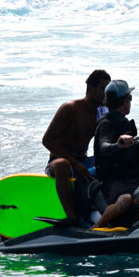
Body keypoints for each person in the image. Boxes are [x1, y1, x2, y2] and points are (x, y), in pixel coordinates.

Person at [42, 69, 111, 223]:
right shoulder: (71, 108)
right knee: (61, 164)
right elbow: (47, 140)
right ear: (90, 88)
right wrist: (75, 164)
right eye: (102, 90)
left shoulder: (102, 112)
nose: (105, 95)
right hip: (60, 162)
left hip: (84, 161)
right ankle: (71, 217)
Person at [93, 79, 139, 230]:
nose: (130, 102)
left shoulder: (126, 123)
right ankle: (97, 227)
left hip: (132, 174)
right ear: (124, 102)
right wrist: (119, 144)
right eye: (129, 98)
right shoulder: (106, 124)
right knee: (125, 200)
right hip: (115, 179)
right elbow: (104, 147)